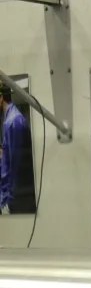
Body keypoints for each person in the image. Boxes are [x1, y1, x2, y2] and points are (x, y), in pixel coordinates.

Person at [0, 85, 33, 216]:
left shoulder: (14, 122)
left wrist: (8, 202)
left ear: (1, 98)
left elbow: (16, 167)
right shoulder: (9, 120)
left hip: (15, 201)